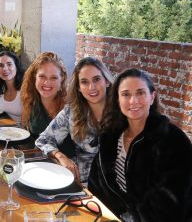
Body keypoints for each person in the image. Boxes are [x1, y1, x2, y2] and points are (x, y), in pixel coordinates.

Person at [88, 68, 192, 222]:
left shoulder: (173, 140)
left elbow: (173, 206)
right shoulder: (110, 137)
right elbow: (96, 187)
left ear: (152, 96)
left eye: (140, 93)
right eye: (126, 94)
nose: (133, 101)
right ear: (117, 99)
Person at [35, 57, 113, 184]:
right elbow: (43, 140)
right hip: (78, 184)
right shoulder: (71, 112)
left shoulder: (122, 112)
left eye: (97, 79)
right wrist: (60, 156)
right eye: (84, 82)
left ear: (107, 81)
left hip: (111, 190)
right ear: (78, 87)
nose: (91, 87)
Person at [21, 52, 69, 144]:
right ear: (35, 76)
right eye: (42, 76)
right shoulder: (31, 100)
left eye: (54, 78)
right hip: (38, 157)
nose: (47, 82)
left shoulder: (69, 106)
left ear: (62, 78)